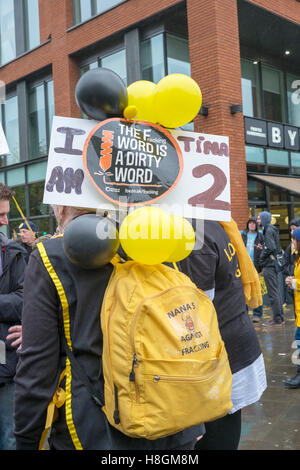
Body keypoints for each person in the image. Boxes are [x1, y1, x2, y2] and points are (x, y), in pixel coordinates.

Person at [14, 205, 204, 450]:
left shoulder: (51, 256)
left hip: (92, 428)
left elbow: (37, 366)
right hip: (171, 419)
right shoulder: (151, 236)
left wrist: (27, 439)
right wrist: (195, 421)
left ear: (61, 206)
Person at [179, 220, 267, 450]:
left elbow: (197, 316)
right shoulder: (213, 223)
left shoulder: (193, 232)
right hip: (229, 349)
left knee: (216, 436)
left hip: (216, 360)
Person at [0, 183, 26, 450]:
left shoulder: (15, 253)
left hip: (6, 364)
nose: (6, 222)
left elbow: (24, 301)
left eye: (6, 214)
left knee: (10, 437)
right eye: (0, 216)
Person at [257, 211, 285, 326]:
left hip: (269, 265)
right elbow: (270, 246)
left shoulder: (268, 230)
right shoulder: (271, 229)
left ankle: (278, 319)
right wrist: (263, 247)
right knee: (276, 292)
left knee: (273, 293)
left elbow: (271, 247)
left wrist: (261, 259)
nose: (258, 220)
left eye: (259, 218)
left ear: (264, 219)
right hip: (272, 264)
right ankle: (280, 317)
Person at [284, 227, 300, 389]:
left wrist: (294, 283)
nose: (292, 242)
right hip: (298, 310)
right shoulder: (298, 259)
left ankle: (299, 374)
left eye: (294, 240)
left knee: (298, 342)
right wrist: (293, 278)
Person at [241, 217, 264, 323]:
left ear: (256, 225)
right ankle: (244, 314)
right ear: (247, 225)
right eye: (250, 223)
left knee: (258, 291)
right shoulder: (243, 235)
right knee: (244, 291)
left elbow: (265, 249)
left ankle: (257, 315)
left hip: (256, 266)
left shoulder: (260, 236)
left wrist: (261, 249)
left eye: (253, 223)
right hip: (244, 267)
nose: (251, 225)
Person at [282, 218, 300, 310]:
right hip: (294, 289)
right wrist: (290, 276)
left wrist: (294, 279)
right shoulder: (290, 248)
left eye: (294, 229)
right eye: (290, 230)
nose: (292, 232)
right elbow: (284, 264)